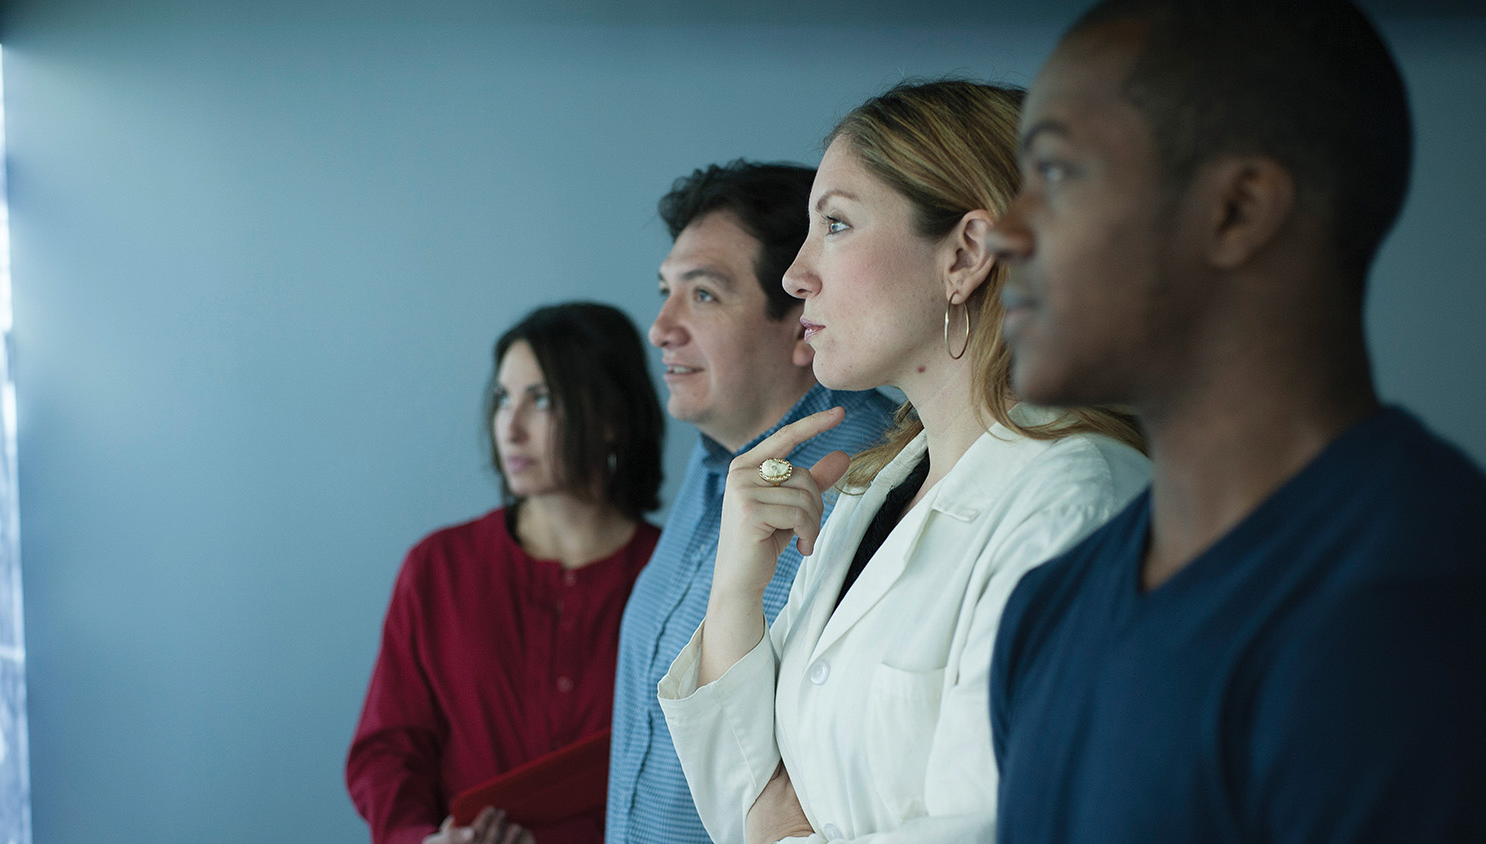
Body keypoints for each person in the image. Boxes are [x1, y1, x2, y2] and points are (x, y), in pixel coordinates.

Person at [985, 2, 1486, 842]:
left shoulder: (1413, 611)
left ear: (1239, 210)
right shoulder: (1049, 610)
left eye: (1058, 172)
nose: (1005, 229)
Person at [656, 80, 1151, 844]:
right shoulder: (869, 491)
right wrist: (734, 591)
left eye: (837, 224)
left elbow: (1003, 828)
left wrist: (775, 832)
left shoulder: (1080, 504)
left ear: (965, 254)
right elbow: (742, 799)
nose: (796, 275)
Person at [605, 162, 897, 844]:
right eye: (665, 293)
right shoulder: (715, 466)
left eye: (703, 296)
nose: (660, 329)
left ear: (803, 319)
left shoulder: (872, 478)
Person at [348, 302, 666, 844]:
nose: (509, 428)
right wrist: (425, 839)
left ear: (612, 417)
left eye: (541, 400)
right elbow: (388, 750)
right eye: (502, 399)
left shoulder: (674, 576)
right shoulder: (438, 568)